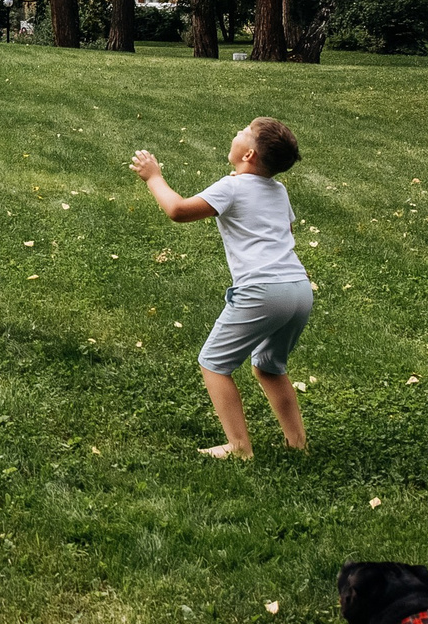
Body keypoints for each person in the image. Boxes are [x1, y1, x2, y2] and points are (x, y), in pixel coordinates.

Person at [131, 117, 312, 459]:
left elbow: (178, 210)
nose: (236, 133)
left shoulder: (231, 188)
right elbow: (282, 230)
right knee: (270, 366)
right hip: (298, 289)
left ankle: (239, 447)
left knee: (214, 363)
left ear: (249, 155)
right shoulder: (278, 190)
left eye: (243, 133)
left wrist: (154, 177)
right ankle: (297, 442)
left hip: (261, 291)